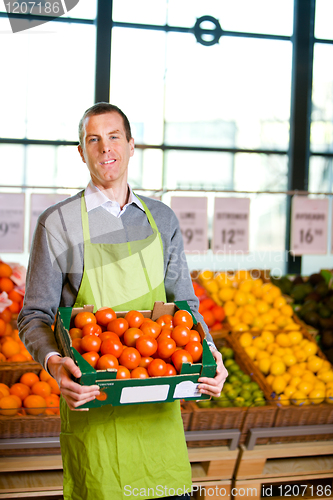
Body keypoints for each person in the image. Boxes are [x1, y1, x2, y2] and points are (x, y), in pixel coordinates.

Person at [18, 103, 228, 500]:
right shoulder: (57, 222)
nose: (104, 147)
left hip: (158, 406)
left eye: (114, 137)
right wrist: (53, 363)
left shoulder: (162, 220)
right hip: (95, 409)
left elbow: (184, 304)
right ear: (81, 151)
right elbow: (33, 315)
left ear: (132, 146)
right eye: (93, 139)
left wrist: (211, 355)